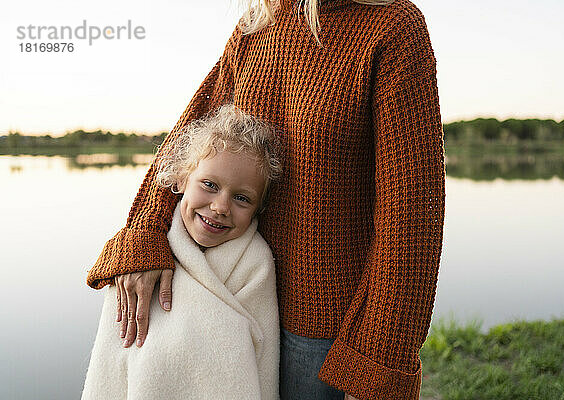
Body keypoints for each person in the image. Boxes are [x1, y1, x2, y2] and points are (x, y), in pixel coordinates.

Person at [85, 0, 446, 399]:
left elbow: (413, 216)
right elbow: (190, 138)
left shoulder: (393, 28)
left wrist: (380, 357)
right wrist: (144, 232)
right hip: (236, 301)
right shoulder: (255, 26)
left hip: (323, 332)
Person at [82, 105, 282, 400]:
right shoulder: (142, 252)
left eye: (242, 198)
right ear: (180, 180)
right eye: (209, 185)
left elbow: (264, 364)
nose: (220, 207)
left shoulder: (255, 263)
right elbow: (111, 358)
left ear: (258, 209)